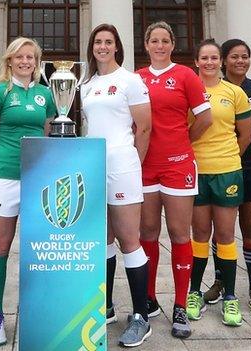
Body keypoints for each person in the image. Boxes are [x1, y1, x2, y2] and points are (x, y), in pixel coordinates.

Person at [136, 21, 211, 339]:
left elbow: (204, 118)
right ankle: (149, 299)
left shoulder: (186, 76)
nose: (160, 45)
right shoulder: (136, 77)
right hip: (144, 166)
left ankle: (180, 305)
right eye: (154, 40)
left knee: (180, 234)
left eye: (165, 41)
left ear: (173, 44)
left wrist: (182, 143)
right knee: (148, 233)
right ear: (146, 44)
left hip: (179, 166)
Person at [0, 37, 56, 345]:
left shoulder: (45, 94)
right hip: (6, 178)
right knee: (0, 245)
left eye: (31, 57)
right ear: (9, 60)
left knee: (40, 248)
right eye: (20, 56)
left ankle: (37, 313)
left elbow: (47, 133)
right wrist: (7, 163)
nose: (26, 61)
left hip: (38, 179)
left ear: (37, 63)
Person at [81, 23, 152, 347]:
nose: (103, 47)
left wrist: (131, 163)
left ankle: (140, 316)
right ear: (92, 47)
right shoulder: (86, 83)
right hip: (93, 165)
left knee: (128, 240)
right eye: (98, 42)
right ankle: (105, 306)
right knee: (103, 239)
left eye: (109, 42)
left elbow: (145, 128)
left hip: (122, 164)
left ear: (117, 47)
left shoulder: (130, 80)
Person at [203, 39, 251, 319]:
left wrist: (238, 153)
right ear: (223, 60)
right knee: (220, 231)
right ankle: (221, 281)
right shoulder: (209, 89)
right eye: (234, 57)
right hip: (219, 168)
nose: (240, 61)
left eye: (245, 56)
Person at [185, 39, 251, 327]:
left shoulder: (234, 93)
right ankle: (194, 292)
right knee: (199, 234)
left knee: (225, 235)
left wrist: (227, 159)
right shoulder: (189, 89)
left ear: (221, 61)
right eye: (205, 58)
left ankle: (230, 297)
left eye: (215, 57)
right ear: (197, 62)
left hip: (227, 170)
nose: (210, 62)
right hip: (197, 170)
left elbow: (246, 135)